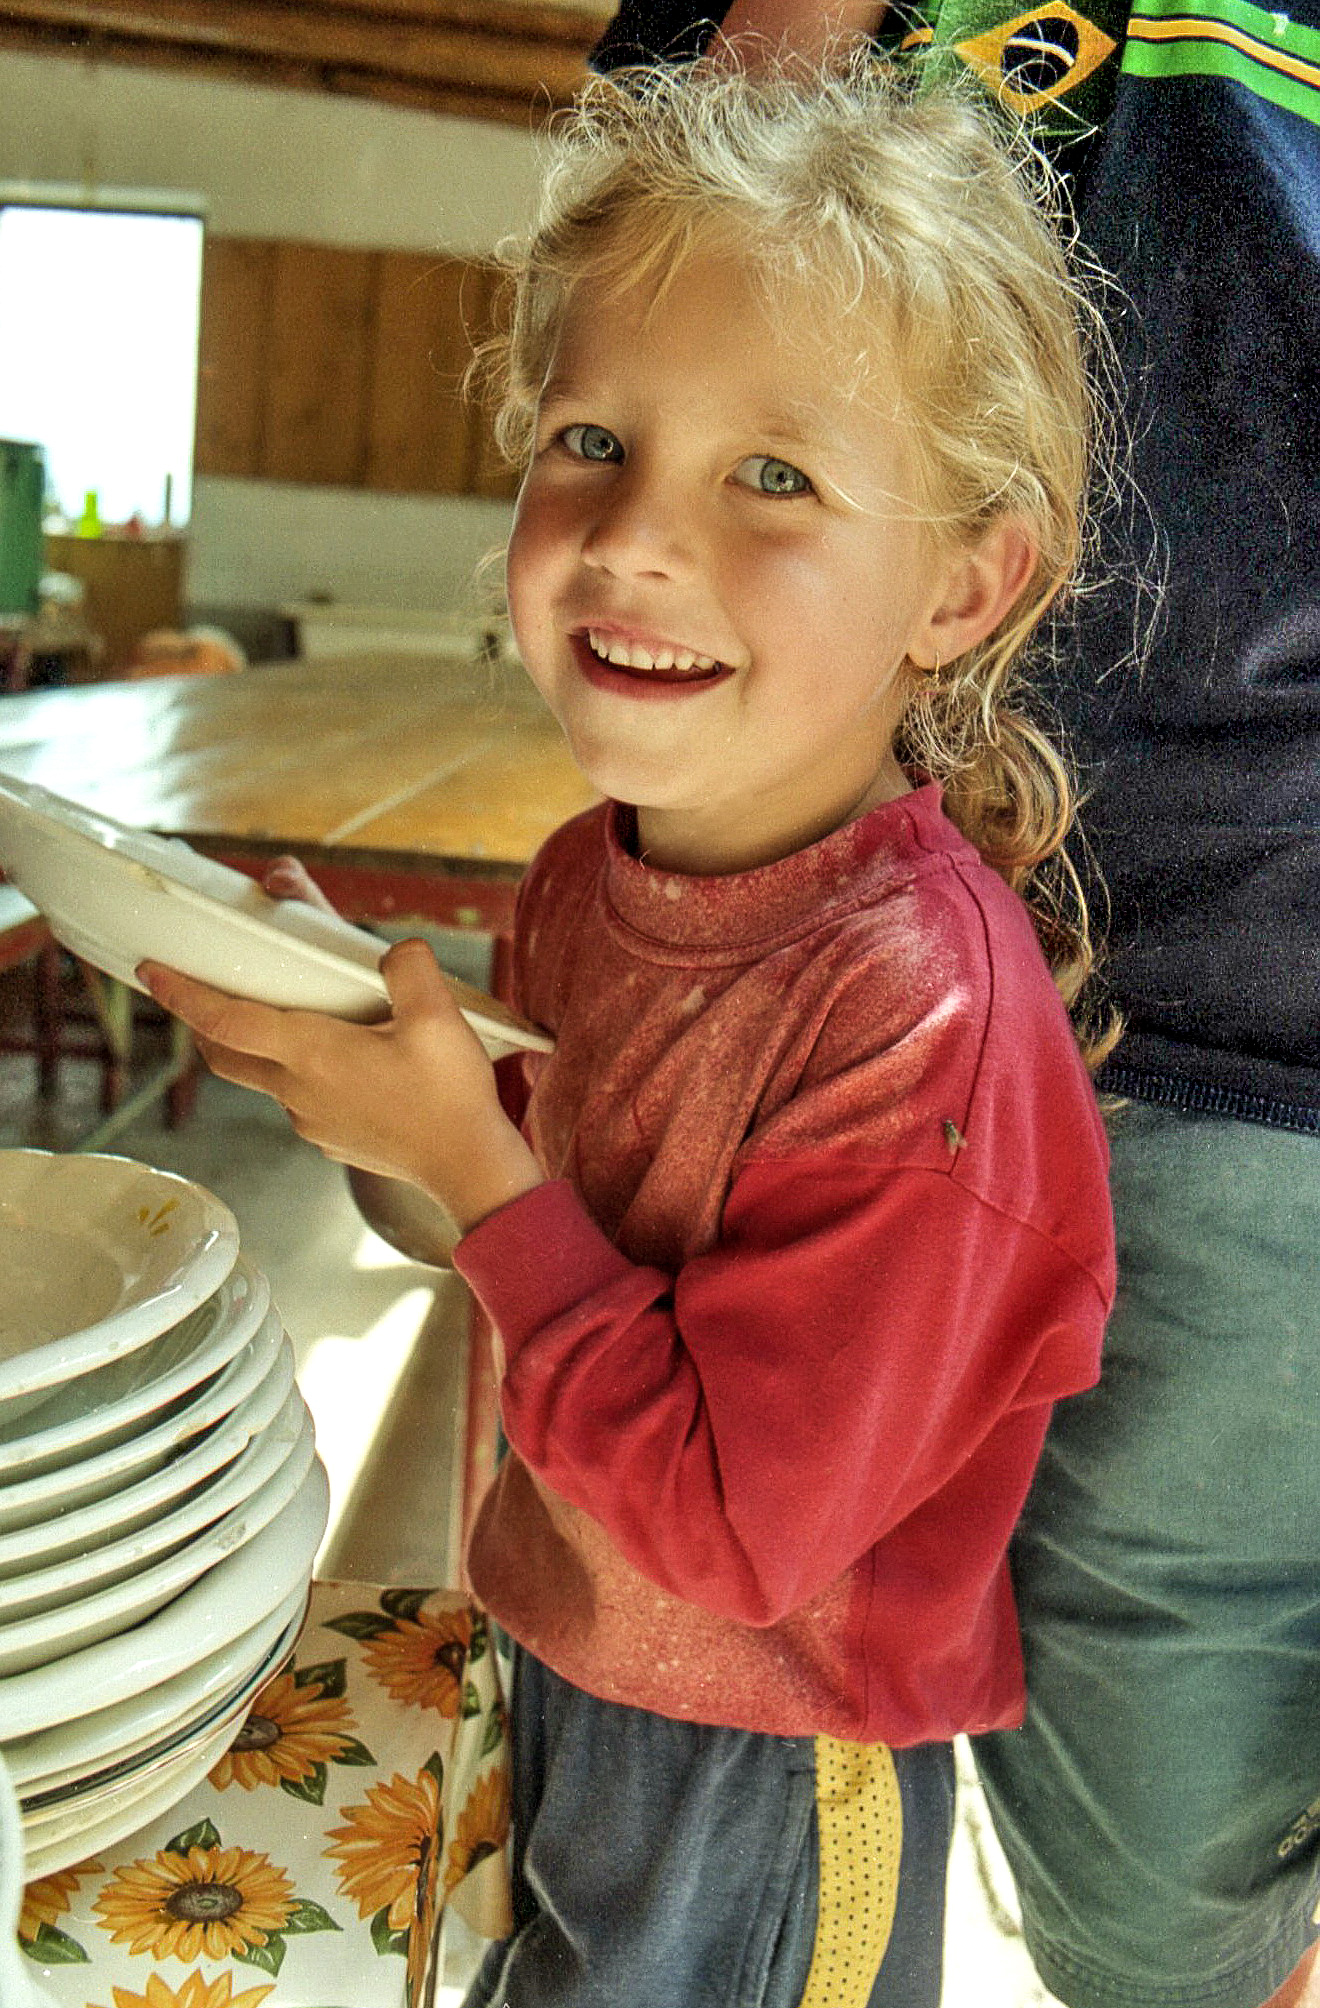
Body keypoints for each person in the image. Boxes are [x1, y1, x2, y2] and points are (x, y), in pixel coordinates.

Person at [143, 58, 1119, 2008]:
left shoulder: (917, 1009)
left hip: (771, 1753)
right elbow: (541, 1218)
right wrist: (371, 1044)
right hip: (572, 1648)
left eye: (776, 476)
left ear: (963, 580)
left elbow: (740, 1531)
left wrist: (467, 1156)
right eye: (591, 438)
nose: (635, 537)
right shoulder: (587, 875)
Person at [591, 6, 1320, 2008]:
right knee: (1144, 1906)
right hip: (980, 1013)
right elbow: (684, 291)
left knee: (1161, 1924)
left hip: (1221, 1033)